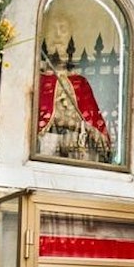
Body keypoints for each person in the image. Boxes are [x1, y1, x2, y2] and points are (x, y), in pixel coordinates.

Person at [37, 14, 111, 162]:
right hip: (44, 148)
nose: (58, 34)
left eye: (63, 30)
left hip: (77, 152)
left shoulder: (80, 83)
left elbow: (101, 139)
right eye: (53, 29)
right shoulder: (37, 79)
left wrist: (89, 131)